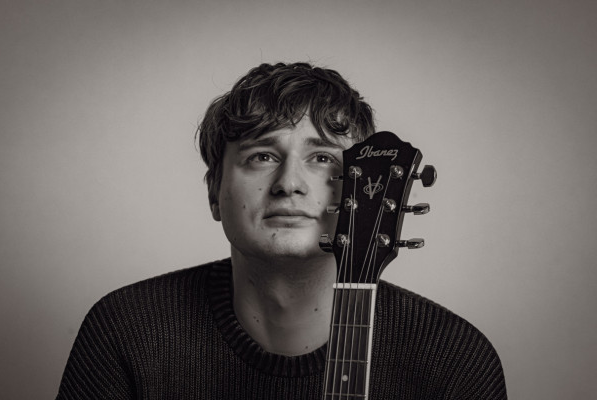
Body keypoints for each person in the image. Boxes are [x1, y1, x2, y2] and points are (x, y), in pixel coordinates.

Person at [57, 62, 507, 399]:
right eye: (262, 156)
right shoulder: (126, 331)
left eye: (323, 158)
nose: (289, 183)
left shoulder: (454, 359)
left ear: (362, 187)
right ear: (214, 192)